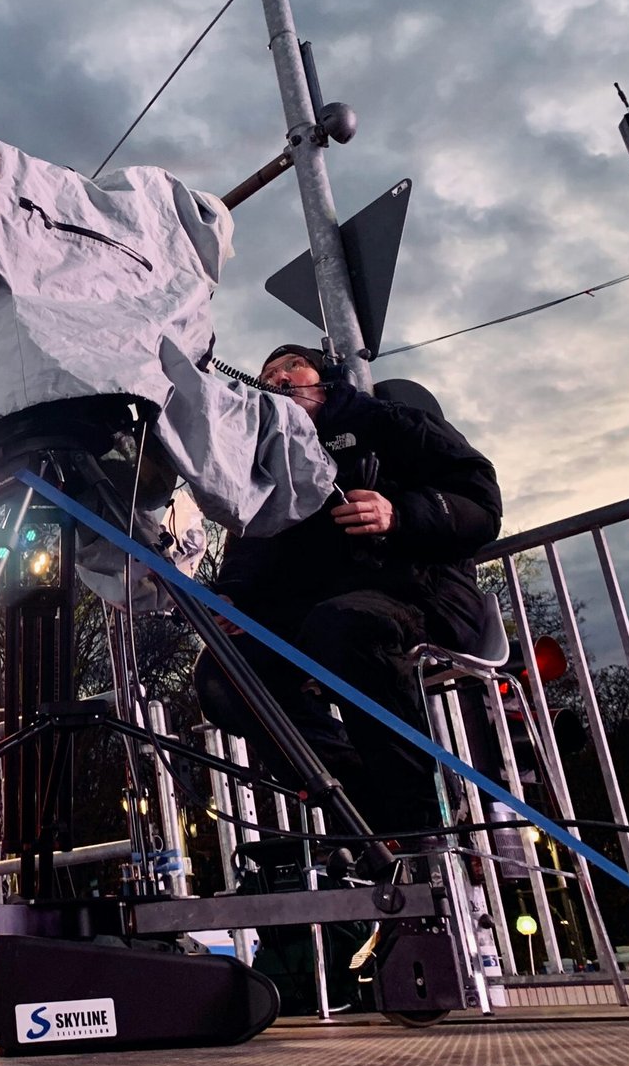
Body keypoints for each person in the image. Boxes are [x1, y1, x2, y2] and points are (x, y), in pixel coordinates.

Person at [193, 344, 502, 843]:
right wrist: (233, 598)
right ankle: (364, 810)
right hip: (321, 609)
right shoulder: (271, 458)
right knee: (224, 674)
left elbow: (481, 503)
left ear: (325, 375)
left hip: (418, 591)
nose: (278, 376)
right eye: (268, 373)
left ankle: (421, 829)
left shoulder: (387, 421)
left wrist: (398, 514)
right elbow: (253, 547)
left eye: (292, 364)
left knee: (345, 627)